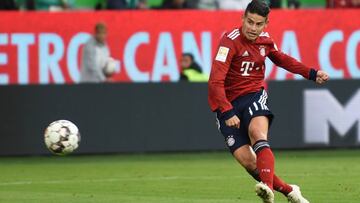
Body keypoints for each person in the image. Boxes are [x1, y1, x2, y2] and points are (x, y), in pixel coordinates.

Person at [208, 1, 329, 203]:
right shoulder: (229, 42)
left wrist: (312, 73)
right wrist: (227, 111)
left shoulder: (265, 40)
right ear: (243, 19)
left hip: (253, 95)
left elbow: (281, 59)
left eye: (258, 24)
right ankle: (289, 190)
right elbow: (215, 80)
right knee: (248, 163)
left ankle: (267, 191)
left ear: (266, 24)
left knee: (258, 134)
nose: (253, 28)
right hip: (228, 104)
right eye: (250, 22)